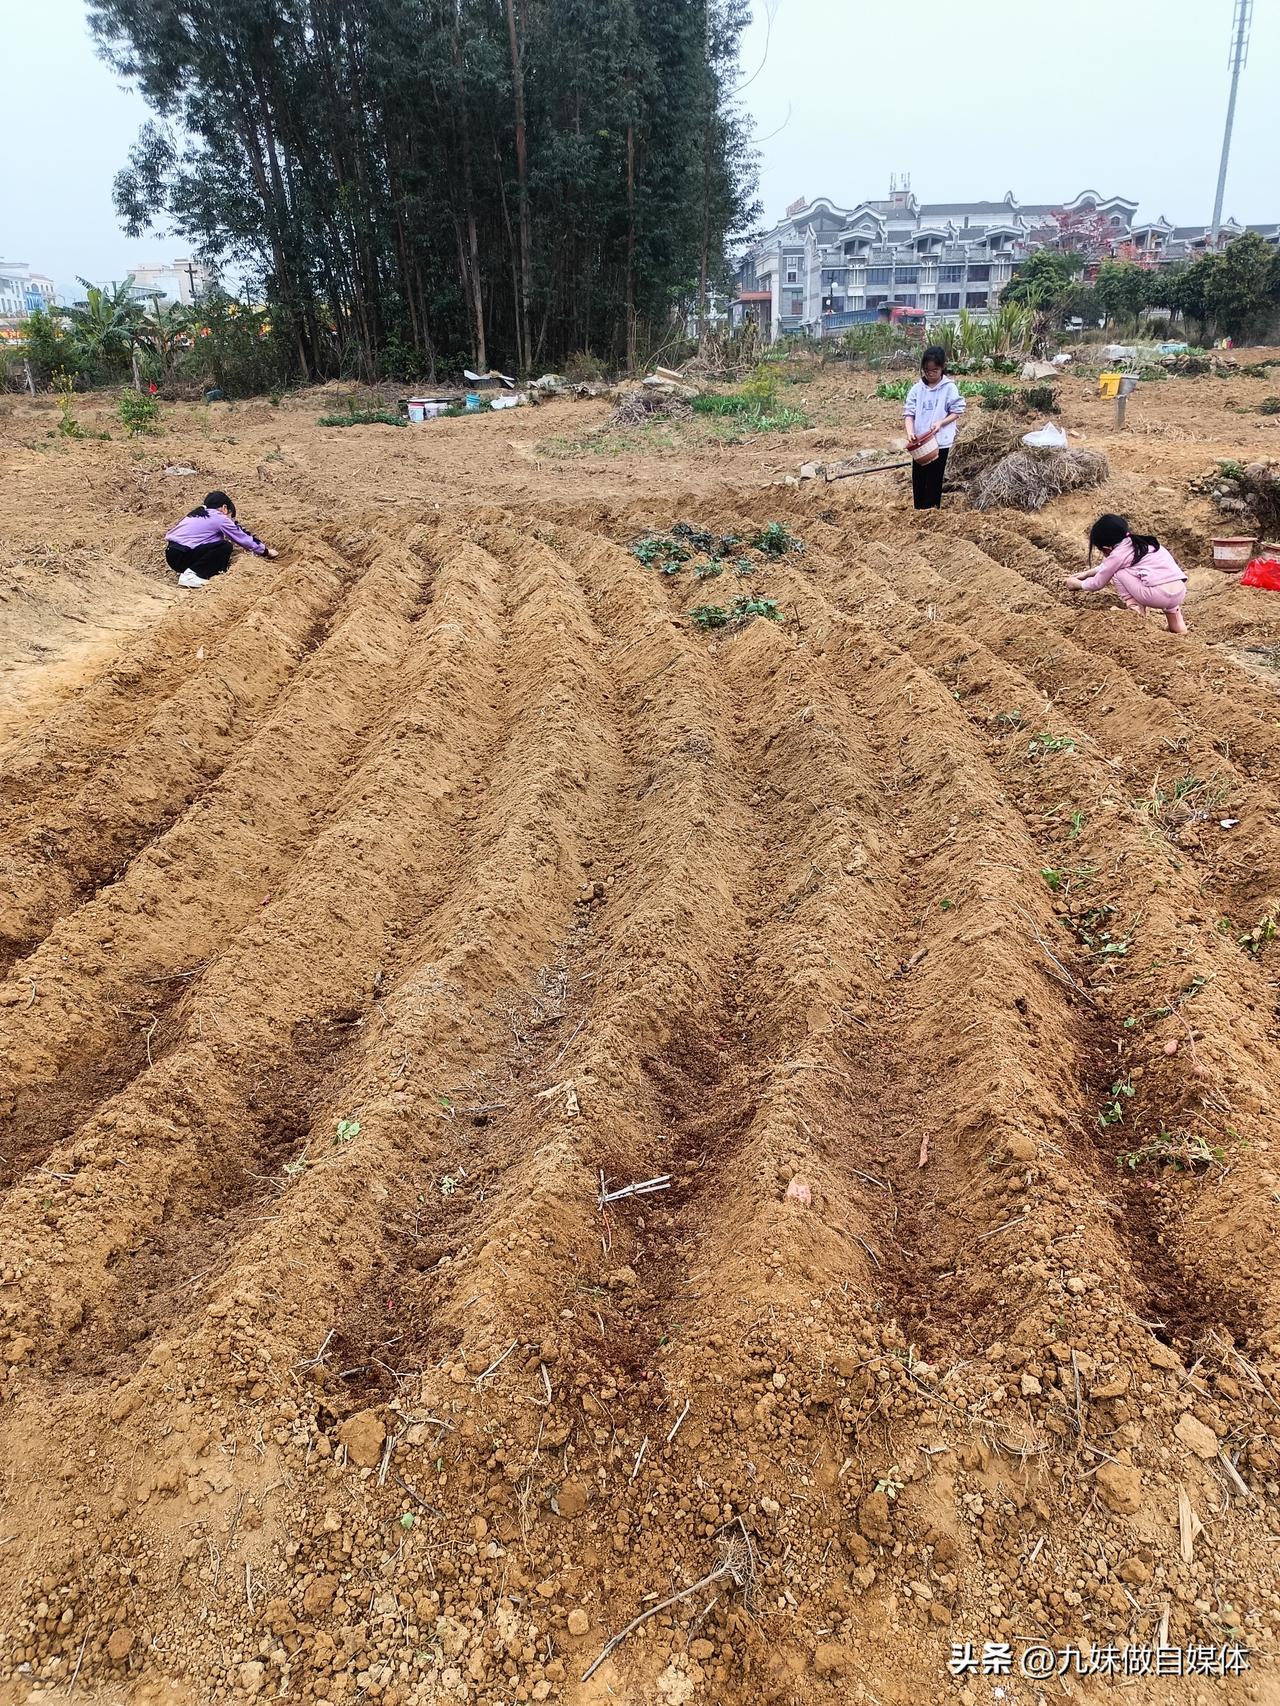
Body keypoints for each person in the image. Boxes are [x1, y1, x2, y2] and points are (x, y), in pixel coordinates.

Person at [1066, 515, 1188, 636]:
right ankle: (1177, 626)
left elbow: (1097, 583)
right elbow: (1109, 565)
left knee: (1118, 572)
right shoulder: (1143, 543)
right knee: (1159, 581)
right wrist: (1087, 573)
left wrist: (1078, 584)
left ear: (1106, 548)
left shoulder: (1118, 555)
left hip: (1156, 596)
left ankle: (1135, 609)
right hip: (1179, 592)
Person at [164, 491, 277, 588]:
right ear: (224, 508)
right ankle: (191, 576)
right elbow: (241, 537)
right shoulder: (219, 517)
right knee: (224, 546)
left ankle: (193, 572)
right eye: (230, 517)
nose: (230, 521)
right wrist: (265, 551)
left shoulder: (198, 515)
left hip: (173, 555)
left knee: (218, 545)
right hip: (183, 554)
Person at [904, 346, 966, 511]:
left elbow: (957, 411)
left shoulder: (949, 388)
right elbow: (909, 414)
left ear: (942, 368)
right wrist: (910, 432)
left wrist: (941, 423)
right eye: (927, 370)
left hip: (940, 443)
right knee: (919, 479)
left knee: (934, 479)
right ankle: (919, 511)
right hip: (920, 442)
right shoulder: (917, 389)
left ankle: (932, 512)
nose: (930, 374)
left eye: (934, 370)